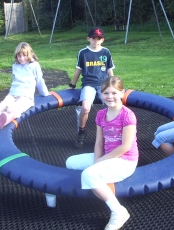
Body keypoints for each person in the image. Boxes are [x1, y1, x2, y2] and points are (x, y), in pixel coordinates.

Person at [65, 76, 138, 230]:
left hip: (125, 161)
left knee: (88, 174)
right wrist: (98, 160)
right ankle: (96, 185)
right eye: (105, 93)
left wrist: (101, 162)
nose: (110, 97)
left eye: (114, 93)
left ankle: (119, 211)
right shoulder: (100, 114)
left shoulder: (127, 115)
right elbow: (99, 142)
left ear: (122, 93)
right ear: (100, 94)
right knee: (70, 162)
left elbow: (125, 146)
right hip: (108, 156)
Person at [0, 42, 50, 129]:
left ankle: (3, 121)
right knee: (1, 106)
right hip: (13, 93)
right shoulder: (15, 65)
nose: (22, 58)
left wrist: (45, 93)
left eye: (24, 55)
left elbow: (39, 80)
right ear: (16, 56)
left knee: (13, 108)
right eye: (19, 56)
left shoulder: (34, 65)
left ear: (30, 54)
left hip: (26, 96)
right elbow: (15, 81)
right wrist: (11, 94)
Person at [69, 27, 115, 148]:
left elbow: (110, 70)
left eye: (98, 39)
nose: (96, 41)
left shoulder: (106, 52)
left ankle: (112, 133)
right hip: (89, 84)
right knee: (85, 107)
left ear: (102, 40)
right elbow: (78, 70)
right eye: (93, 38)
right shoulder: (83, 53)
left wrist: (113, 85)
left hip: (103, 84)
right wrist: (72, 85)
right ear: (88, 38)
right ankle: (81, 131)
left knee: (111, 105)